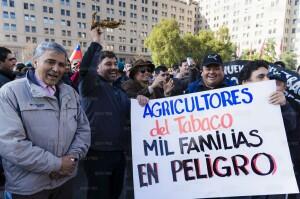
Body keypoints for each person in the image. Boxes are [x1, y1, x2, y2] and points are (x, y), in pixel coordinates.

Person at [0, 41, 91, 199]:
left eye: (61, 64)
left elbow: (83, 129)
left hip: (65, 181)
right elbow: (11, 143)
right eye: (50, 62)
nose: (56, 69)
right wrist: (57, 164)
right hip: (29, 188)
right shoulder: (10, 93)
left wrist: (72, 157)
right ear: (35, 62)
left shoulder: (70, 92)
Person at [79, 27, 148, 199]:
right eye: (108, 64)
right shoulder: (90, 86)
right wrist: (96, 42)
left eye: (115, 63)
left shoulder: (119, 90)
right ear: (97, 67)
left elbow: (131, 115)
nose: (113, 67)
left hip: (119, 154)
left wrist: (141, 101)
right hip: (97, 154)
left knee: (115, 194)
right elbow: (85, 69)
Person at [238, 60, 298, 198]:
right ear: (245, 83)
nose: (268, 80)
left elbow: (291, 125)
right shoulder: (228, 108)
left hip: (271, 178)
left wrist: (284, 105)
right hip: (242, 179)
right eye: (261, 77)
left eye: (268, 76)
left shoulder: (277, 102)